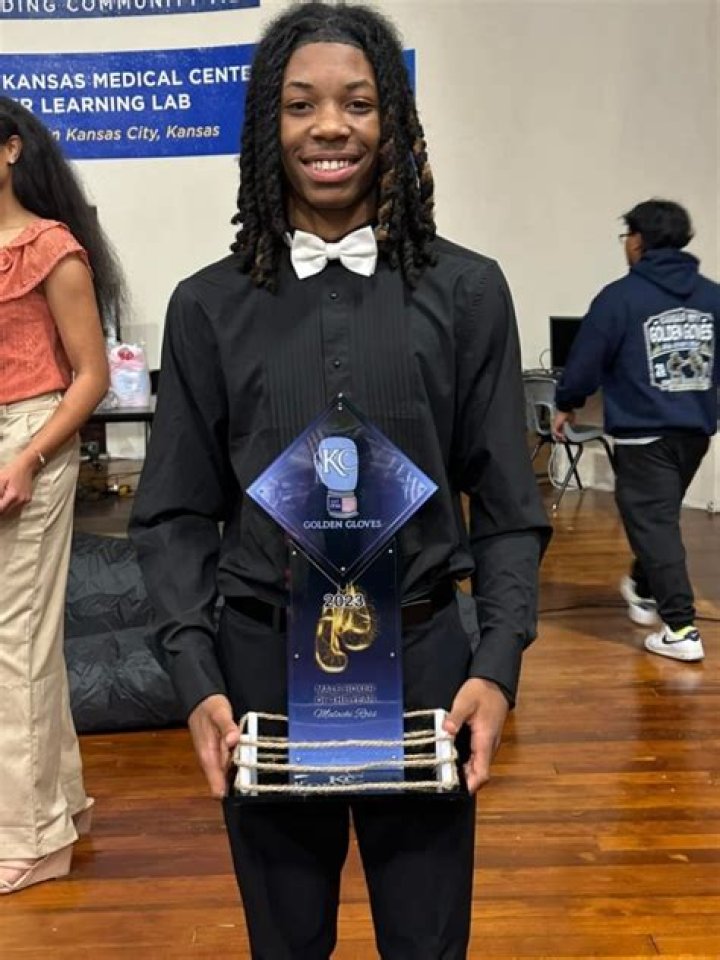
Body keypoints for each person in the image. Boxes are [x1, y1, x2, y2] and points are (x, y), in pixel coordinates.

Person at [130, 4, 550, 957]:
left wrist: (497, 667)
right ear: (266, 126)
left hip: (428, 665)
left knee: (427, 941)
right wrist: (196, 678)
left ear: (393, 120)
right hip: (260, 673)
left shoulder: (470, 292)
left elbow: (509, 508)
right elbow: (174, 513)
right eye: (301, 104)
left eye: (358, 103)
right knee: (285, 944)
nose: (330, 127)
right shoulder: (206, 307)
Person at [0, 97, 123, 894]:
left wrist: (28, 459)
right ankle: (62, 804)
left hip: (32, 439)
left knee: (15, 646)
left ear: (11, 150)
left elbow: (92, 376)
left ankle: (33, 839)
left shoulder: (51, 249)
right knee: (21, 643)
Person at [554, 199, 719, 663]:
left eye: (627, 236)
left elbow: (585, 360)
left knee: (654, 523)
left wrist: (567, 403)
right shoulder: (713, 297)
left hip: (643, 436)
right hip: (695, 434)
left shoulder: (619, 298)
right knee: (656, 518)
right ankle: (644, 588)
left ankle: (681, 627)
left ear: (639, 241)